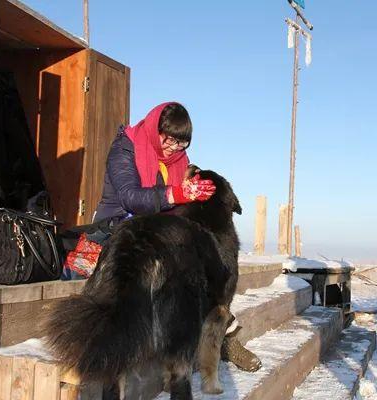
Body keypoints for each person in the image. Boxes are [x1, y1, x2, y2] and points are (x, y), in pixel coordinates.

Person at [74, 102, 261, 373]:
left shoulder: (180, 162)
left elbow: (179, 211)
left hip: (156, 234)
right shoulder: (125, 149)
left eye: (182, 144)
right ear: (155, 129)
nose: (174, 148)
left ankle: (223, 338)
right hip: (117, 231)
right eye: (170, 140)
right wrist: (176, 194)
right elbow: (130, 197)